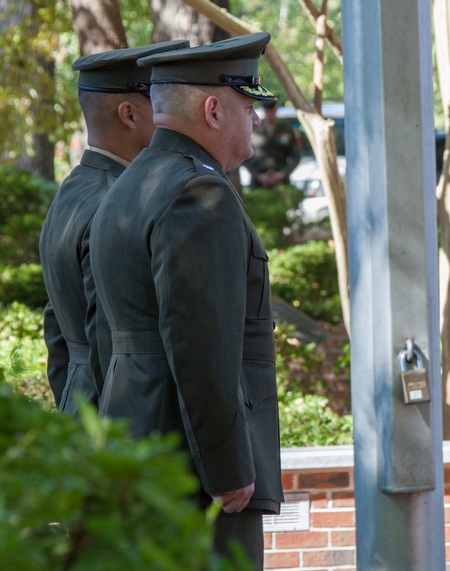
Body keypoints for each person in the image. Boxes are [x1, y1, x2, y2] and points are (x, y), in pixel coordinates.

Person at [90, 32, 284, 568]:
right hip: (191, 466)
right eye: (250, 106)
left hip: (139, 441)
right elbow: (200, 343)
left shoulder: (130, 184)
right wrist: (227, 468)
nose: (258, 121)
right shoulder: (200, 192)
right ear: (214, 109)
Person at [38, 40, 189, 415]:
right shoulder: (118, 202)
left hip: (80, 408)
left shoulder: (73, 189)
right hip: (118, 418)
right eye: (160, 105)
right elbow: (107, 336)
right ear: (129, 114)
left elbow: (57, 330)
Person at [244, 97, 300, 187]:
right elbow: (244, 157)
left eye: (272, 110)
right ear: (263, 110)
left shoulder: (286, 129)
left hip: (281, 182)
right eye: (267, 111)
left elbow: (296, 156)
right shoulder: (254, 129)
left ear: (276, 110)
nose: (269, 113)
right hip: (258, 182)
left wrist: (283, 174)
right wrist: (257, 176)